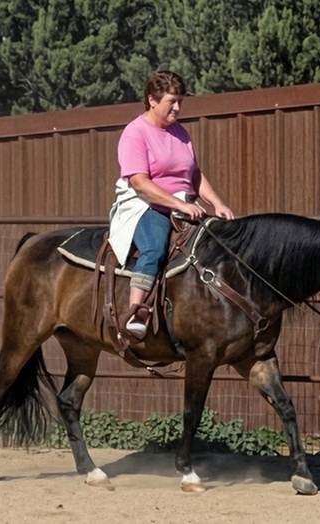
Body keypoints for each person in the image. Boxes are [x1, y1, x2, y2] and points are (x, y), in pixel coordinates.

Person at [108, 71, 234, 340]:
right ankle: (136, 312)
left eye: (180, 102)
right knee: (154, 247)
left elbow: (194, 174)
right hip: (145, 206)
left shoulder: (181, 133)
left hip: (183, 207)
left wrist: (217, 203)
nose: (177, 108)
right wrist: (180, 204)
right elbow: (140, 183)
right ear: (152, 100)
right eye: (171, 102)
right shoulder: (135, 133)